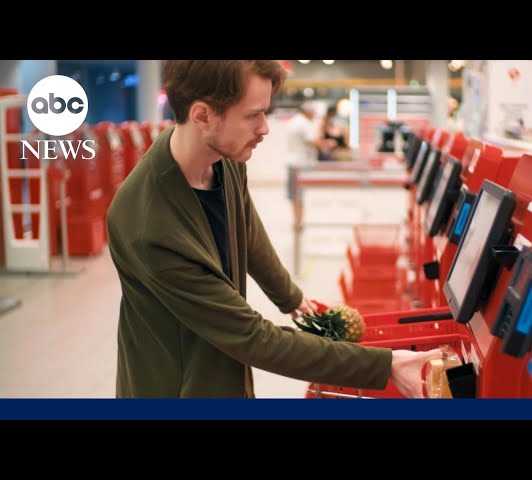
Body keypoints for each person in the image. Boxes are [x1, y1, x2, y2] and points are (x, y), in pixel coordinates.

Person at [107, 60, 443, 398]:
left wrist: (291, 299)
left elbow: (247, 229)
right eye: (253, 115)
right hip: (176, 388)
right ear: (203, 115)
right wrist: (387, 365)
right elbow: (252, 338)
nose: (265, 128)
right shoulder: (150, 225)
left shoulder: (224, 158)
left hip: (223, 371)